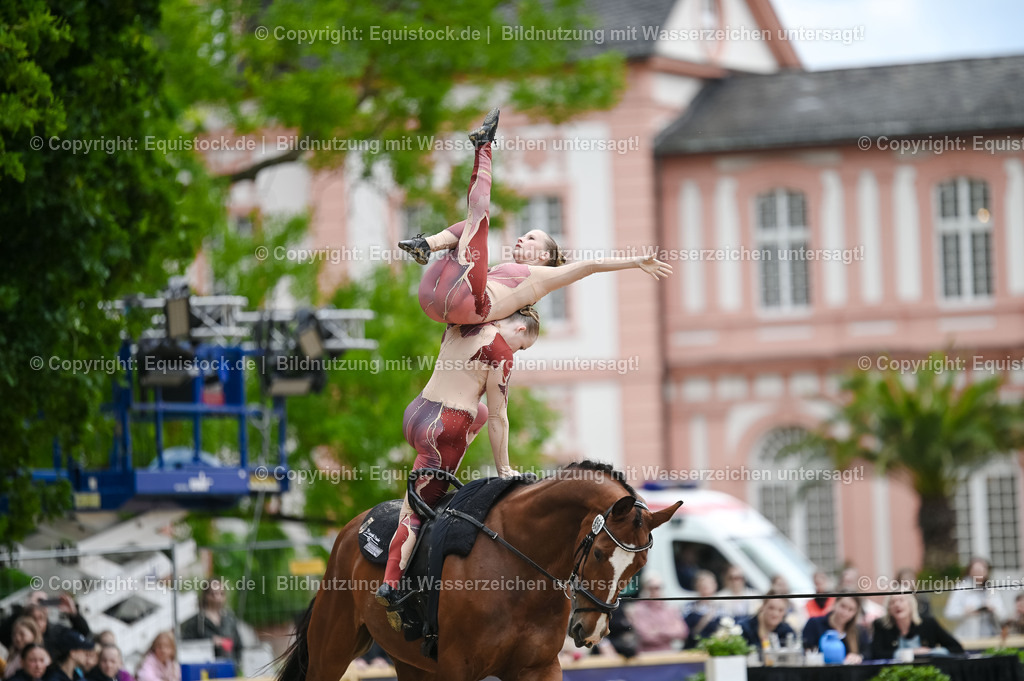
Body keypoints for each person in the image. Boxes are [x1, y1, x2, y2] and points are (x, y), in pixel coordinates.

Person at [398, 109, 672, 326]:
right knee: (466, 228)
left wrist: (635, 262)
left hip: (457, 302)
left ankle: (484, 146)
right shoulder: (500, 272)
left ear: (543, 256)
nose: (521, 237)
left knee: (479, 221)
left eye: (531, 238)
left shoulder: (541, 278)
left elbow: (591, 265)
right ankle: (425, 245)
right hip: (434, 300)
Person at [374, 307, 541, 629]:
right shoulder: (502, 353)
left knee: (475, 412)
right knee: (416, 513)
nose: (518, 353)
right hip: (444, 429)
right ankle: (391, 585)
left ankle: (443, 474)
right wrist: (504, 468)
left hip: (418, 412)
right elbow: (498, 416)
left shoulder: (465, 323)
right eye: (523, 347)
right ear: (520, 330)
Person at [870, 593, 964, 660]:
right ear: (888, 609)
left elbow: (956, 648)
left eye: (901, 600)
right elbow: (876, 654)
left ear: (911, 605)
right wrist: (911, 652)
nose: (897, 605)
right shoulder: (881, 626)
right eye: (893, 602)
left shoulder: (928, 623)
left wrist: (931, 652)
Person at [1, 594, 91, 659]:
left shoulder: (56, 633)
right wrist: (26, 607)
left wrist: (74, 614)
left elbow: (83, 633)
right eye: (33, 618)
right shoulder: (19, 635)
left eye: (40, 618)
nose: (36, 622)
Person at [180, 580, 242, 662]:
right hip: (205, 666)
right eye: (213, 594)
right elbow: (187, 645)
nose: (217, 597)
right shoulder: (196, 621)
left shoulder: (229, 619)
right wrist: (209, 643)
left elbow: (238, 645)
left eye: (221, 593)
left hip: (228, 665)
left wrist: (236, 663)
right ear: (206, 596)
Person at [943, 556, 1005, 639]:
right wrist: (965, 612)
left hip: (991, 636)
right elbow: (949, 613)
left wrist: (993, 609)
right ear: (970, 572)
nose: (979, 574)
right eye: (976, 571)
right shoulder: (962, 588)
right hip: (968, 637)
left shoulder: (992, 589)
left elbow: (1003, 614)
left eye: (981, 570)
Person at [625, 574, 688, 653]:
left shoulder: (670, 609)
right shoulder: (638, 609)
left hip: (668, 653)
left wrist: (658, 631)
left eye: (657, 588)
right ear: (645, 589)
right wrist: (669, 631)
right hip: (647, 654)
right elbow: (646, 636)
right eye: (651, 588)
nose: (655, 591)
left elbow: (682, 632)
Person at [801, 595, 870, 664]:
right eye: (843, 606)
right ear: (835, 603)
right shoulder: (814, 624)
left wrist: (859, 657)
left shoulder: (860, 631)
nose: (845, 612)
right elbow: (805, 650)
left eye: (850, 610)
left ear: (855, 612)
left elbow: (868, 654)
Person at [740, 593, 798, 658]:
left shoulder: (787, 631)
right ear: (763, 606)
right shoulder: (745, 628)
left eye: (780, 610)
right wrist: (762, 629)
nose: (775, 613)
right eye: (771, 608)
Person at [683, 571, 721, 649]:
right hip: (695, 648)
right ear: (697, 587)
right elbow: (687, 632)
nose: (705, 587)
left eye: (708, 584)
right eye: (702, 584)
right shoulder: (690, 608)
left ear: (715, 585)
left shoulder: (722, 608)